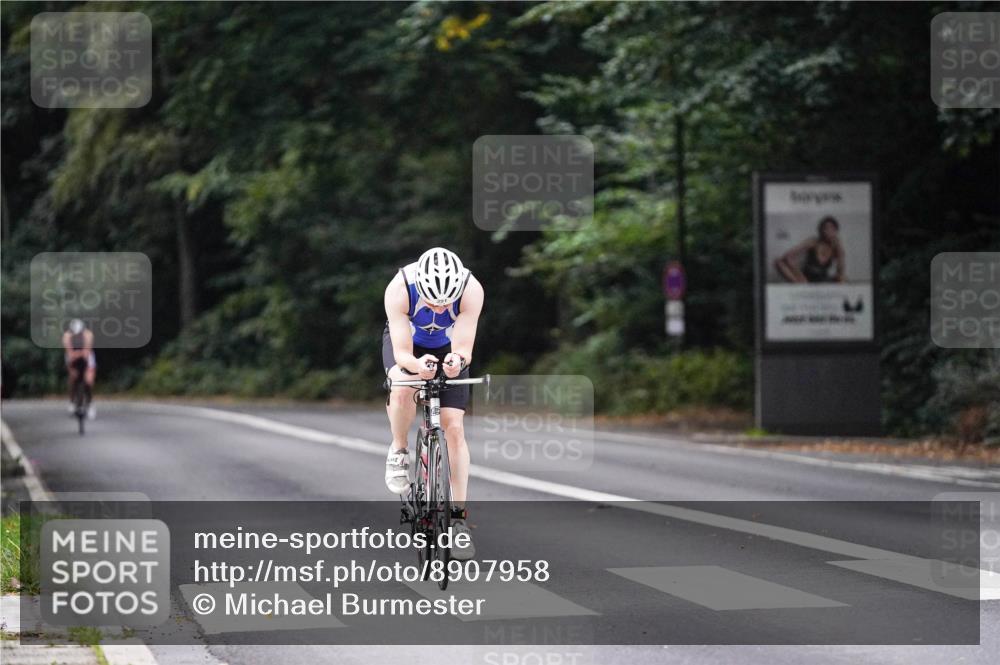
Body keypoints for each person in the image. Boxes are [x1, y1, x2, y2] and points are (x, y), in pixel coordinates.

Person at [382, 247, 484, 560]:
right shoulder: (399, 288)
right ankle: (399, 450)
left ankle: (458, 521)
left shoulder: (471, 290)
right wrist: (415, 366)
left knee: (454, 428)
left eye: (445, 304)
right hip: (409, 347)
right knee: (401, 387)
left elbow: (464, 345)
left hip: (447, 348)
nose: (439, 311)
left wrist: (457, 361)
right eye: (431, 303)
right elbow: (401, 353)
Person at [774, 216, 846, 284]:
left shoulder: (836, 247)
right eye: (826, 228)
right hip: (806, 278)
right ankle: (801, 285)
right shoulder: (813, 242)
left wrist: (840, 250)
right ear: (821, 230)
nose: (828, 231)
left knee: (842, 278)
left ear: (836, 231)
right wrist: (799, 274)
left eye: (832, 229)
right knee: (778, 262)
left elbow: (840, 272)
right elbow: (787, 256)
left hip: (823, 279)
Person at [62, 318, 96, 419]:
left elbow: (86, 353)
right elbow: (69, 352)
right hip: (73, 358)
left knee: (88, 382)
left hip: (87, 358)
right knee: (73, 378)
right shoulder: (67, 336)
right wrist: (74, 355)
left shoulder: (88, 335)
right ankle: (72, 402)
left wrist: (78, 354)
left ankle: (89, 404)